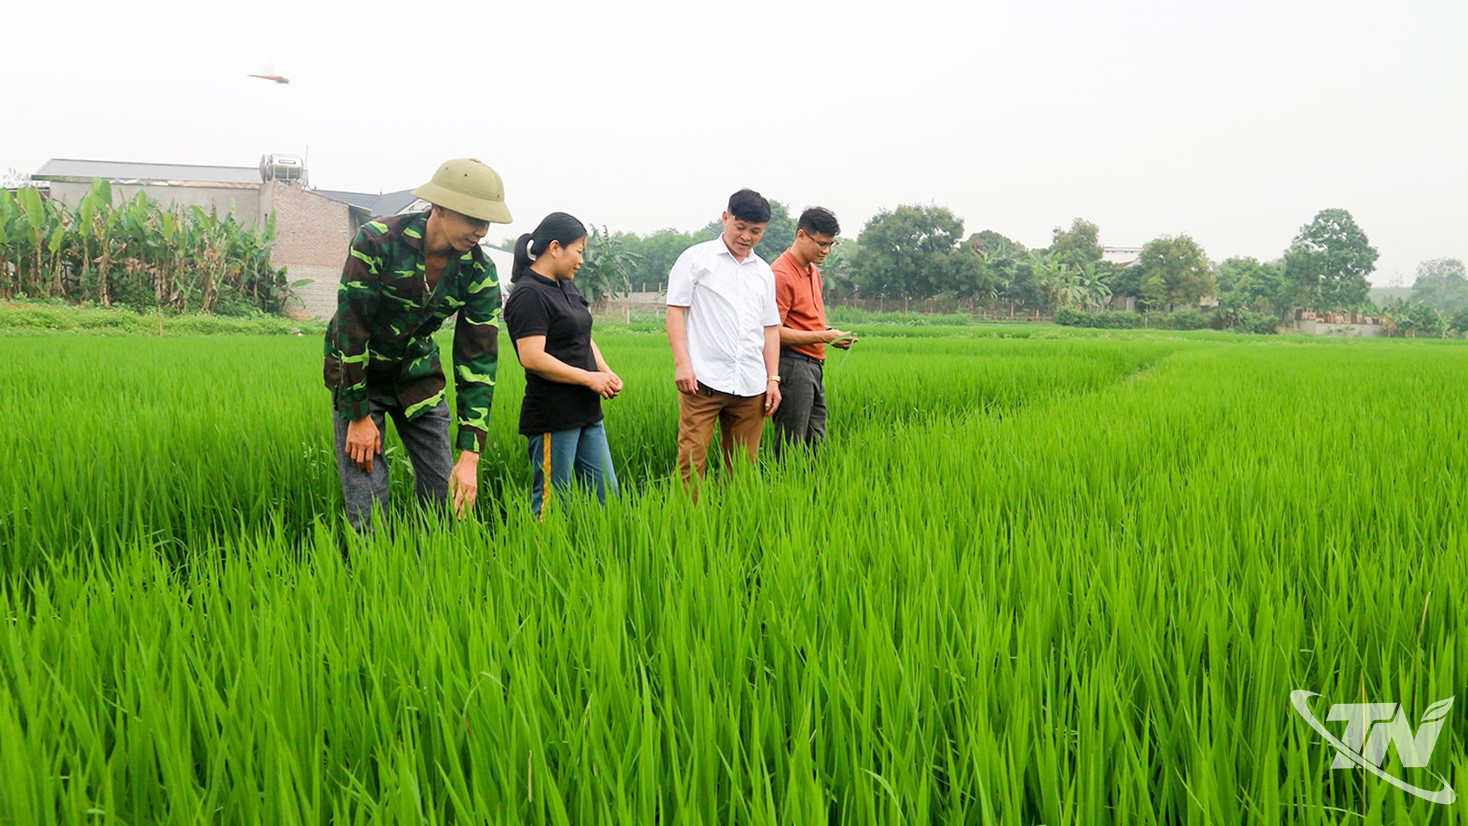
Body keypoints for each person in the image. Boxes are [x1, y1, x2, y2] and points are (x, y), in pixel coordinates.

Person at [322, 158, 512, 531]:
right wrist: (357, 414)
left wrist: (470, 455)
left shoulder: (479, 271)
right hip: (360, 376)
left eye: (488, 221)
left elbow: (478, 361)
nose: (482, 230)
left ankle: (431, 561)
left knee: (445, 498)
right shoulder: (376, 241)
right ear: (440, 207)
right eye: (473, 218)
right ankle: (372, 565)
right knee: (367, 506)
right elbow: (351, 327)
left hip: (417, 376)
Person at [503, 212, 621, 518]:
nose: (581, 261)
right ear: (555, 247)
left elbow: (583, 336)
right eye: (578, 251)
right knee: (554, 503)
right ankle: (541, 550)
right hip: (553, 415)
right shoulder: (529, 294)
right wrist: (589, 378)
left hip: (587, 410)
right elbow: (532, 357)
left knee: (607, 498)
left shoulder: (566, 286)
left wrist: (604, 372)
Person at [665, 188, 782, 486]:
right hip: (702, 382)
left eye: (755, 231)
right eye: (740, 227)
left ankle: (732, 514)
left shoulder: (763, 272)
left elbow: (770, 328)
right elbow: (675, 311)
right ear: (725, 217)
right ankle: (688, 514)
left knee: (741, 469)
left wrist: (772, 379)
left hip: (751, 384)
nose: (746, 237)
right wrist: (682, 364)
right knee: (691, 463)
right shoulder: (696, 259)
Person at [771, 207, 856, 457]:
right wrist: (823, 336)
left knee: (815, 442)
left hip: (813, 366)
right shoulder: (781, 274)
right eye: (822, 243)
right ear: (801, 235)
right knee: (792, 445)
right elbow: (773, 332)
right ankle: (785, 482)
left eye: (831, 244)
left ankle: (810, 482)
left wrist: (831, 335)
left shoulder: (813, 272)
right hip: (793, 366)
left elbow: (804, 322)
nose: (826, 251)